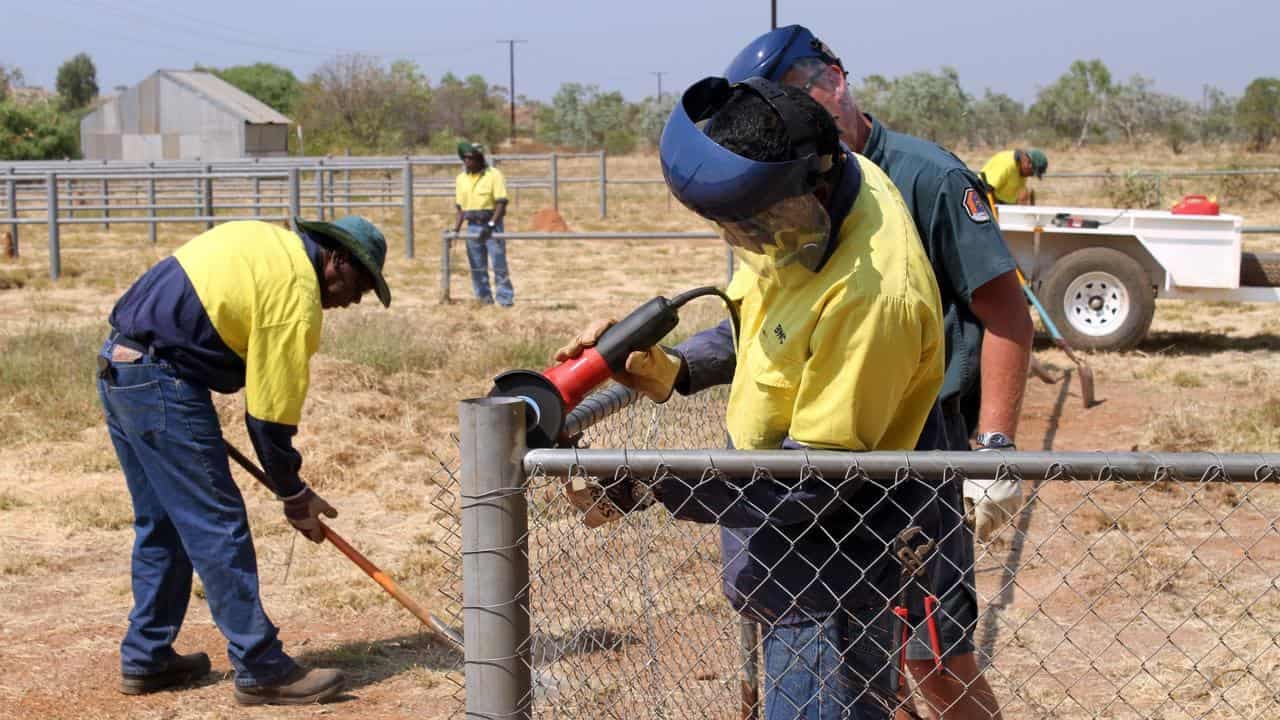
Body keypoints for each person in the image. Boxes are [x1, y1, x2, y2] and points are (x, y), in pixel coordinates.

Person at [557, 76, 946, 720]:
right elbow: (768, 321)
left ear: (812, 187)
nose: (745, 243)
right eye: (729, 227)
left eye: (751, 225)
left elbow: (812, 479)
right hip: (781, 554)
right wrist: (676, 367)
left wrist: (651, 483)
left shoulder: (874, 296)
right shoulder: (802, 207)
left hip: (830, 574)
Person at [720, 25, 1036, 720]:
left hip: (918, 447)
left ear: (836, 78)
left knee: (936, 662)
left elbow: (1007, 312)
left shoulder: (928, 177)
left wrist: (994, 450)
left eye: (801, 92)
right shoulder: (787, 193)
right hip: (829, 449)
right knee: (866, 650)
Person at [98, 215, 392, 705]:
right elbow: (269, 420)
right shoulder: (295, 294)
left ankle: (148, 655)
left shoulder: (263, 240)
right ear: (336, 260)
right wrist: (295, 495)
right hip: (161, 380)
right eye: (359, 285)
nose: (354, 299)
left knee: (164, 522)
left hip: (122, 365)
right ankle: (262, 667)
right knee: (217, 523)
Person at [452, 141, 514, 306]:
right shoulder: (461, 179)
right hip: (472, 226)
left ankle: (505, 300)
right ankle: (483, 299)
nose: (467, 162)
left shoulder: (494, 175)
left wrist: (492, 225)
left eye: (471, 158)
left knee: (498, 263)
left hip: (492, 225)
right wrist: (455, 231)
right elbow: (460, 208)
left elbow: (501, 202)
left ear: (479, 159)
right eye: (465, 158)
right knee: (477, 265)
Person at [981, 148, 1048, 206]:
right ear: (1027, 163)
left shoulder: (1021, 170)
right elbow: (985, 188)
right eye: (1032, 173)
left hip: (1002, 204)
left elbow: (1019, 197)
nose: (1031, 175)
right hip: (984, 200)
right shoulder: (1006, 164)